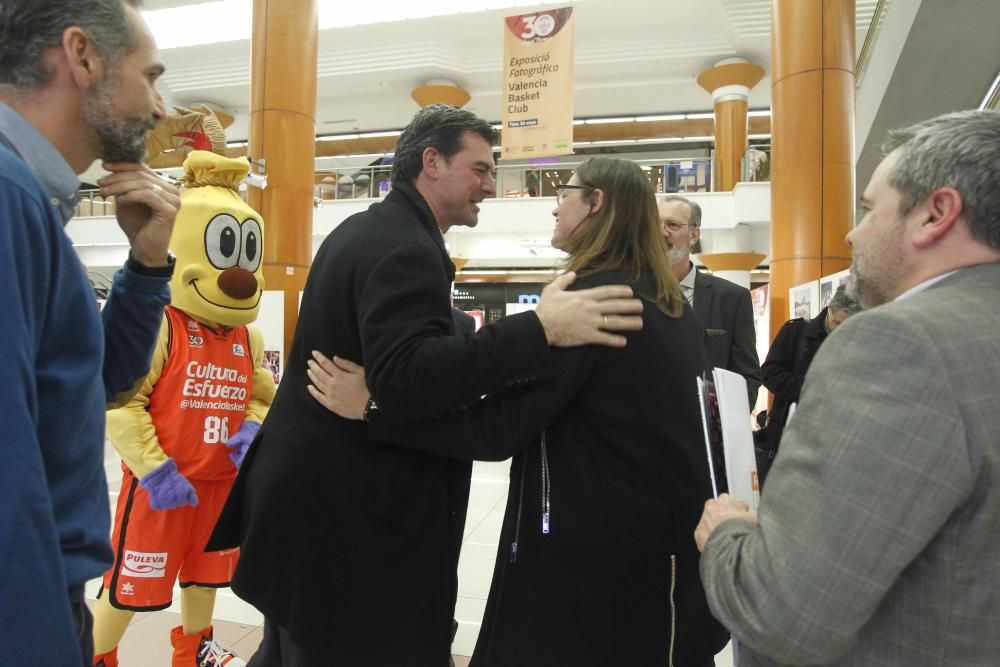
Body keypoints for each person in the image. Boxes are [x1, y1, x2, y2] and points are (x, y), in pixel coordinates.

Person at [206, 105, 644, 666]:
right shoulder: (406, 246)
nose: (491, 185)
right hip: (347, 523)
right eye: (481, 169)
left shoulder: (367, 229)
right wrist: (539, 327)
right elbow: (410, 377)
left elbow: (388, 354)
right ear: (431, 162)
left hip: (309, 515)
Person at [312, 157, 730, 667]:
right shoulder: (666, 301)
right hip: (658, 558)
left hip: (595, 564)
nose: (556, 205)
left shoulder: (596, 300)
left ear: (595, 203)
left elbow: (498, 430)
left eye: (566, 192)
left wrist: (375, 407)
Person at [695, 109, 1000, 666]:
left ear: (936, 214)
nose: (851, 233)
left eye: (867, 209)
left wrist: (726, 535)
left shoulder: (898, 344)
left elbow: (782, 613)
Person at [0, 1, 179, 664]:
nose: (159, 107)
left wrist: (147, 263)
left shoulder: (31, 201)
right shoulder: (9, 197)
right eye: (150, 77)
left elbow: (96, 382)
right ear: (82, 56)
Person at [92, 152, 276, 667]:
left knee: (205, 579)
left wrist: (250, 432)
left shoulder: (248, 337)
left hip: (218, 487)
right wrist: (155, 469)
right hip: (161, 490)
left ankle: (195, 650)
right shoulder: (162, 326)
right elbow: (122, 405)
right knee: (130, 586)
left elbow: (262, 394)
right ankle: (95, 652)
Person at [659, 195, 761, 406]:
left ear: (694, 234)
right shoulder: (633, 293)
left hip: (705, 430)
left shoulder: (731, 299)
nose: (661, 232)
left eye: (672, 225)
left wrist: (720, 421)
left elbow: (747, 378)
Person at [757, 285, 861, 480]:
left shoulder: (860, 342)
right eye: (838, 323)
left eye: (850, 325)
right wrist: (812, 387)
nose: (843, 330)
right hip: (787, 436)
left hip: (835, 440)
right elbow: (769, 373)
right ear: (829, 308)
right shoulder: (795, 332)